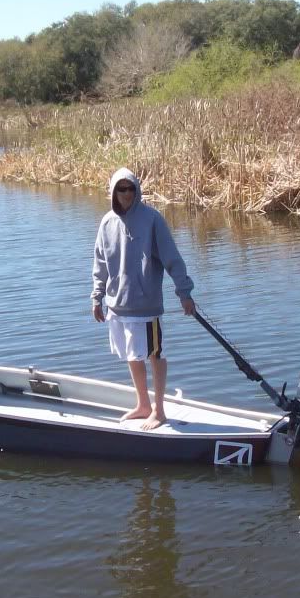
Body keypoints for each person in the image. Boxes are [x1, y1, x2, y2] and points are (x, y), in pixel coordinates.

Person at [92, 167, 195, 430]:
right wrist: (97, 297)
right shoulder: (106, 223)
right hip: (118, 305)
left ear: (136, 190)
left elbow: (172, 259)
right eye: (120, 189)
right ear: (113, 192)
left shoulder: (152, 219)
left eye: (130, 189)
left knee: (154, 354)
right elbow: (100, 263)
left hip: (146, 306)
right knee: (132, 354)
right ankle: (143, 405)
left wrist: (184, 293)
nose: (126, 194)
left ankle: (159, 411)